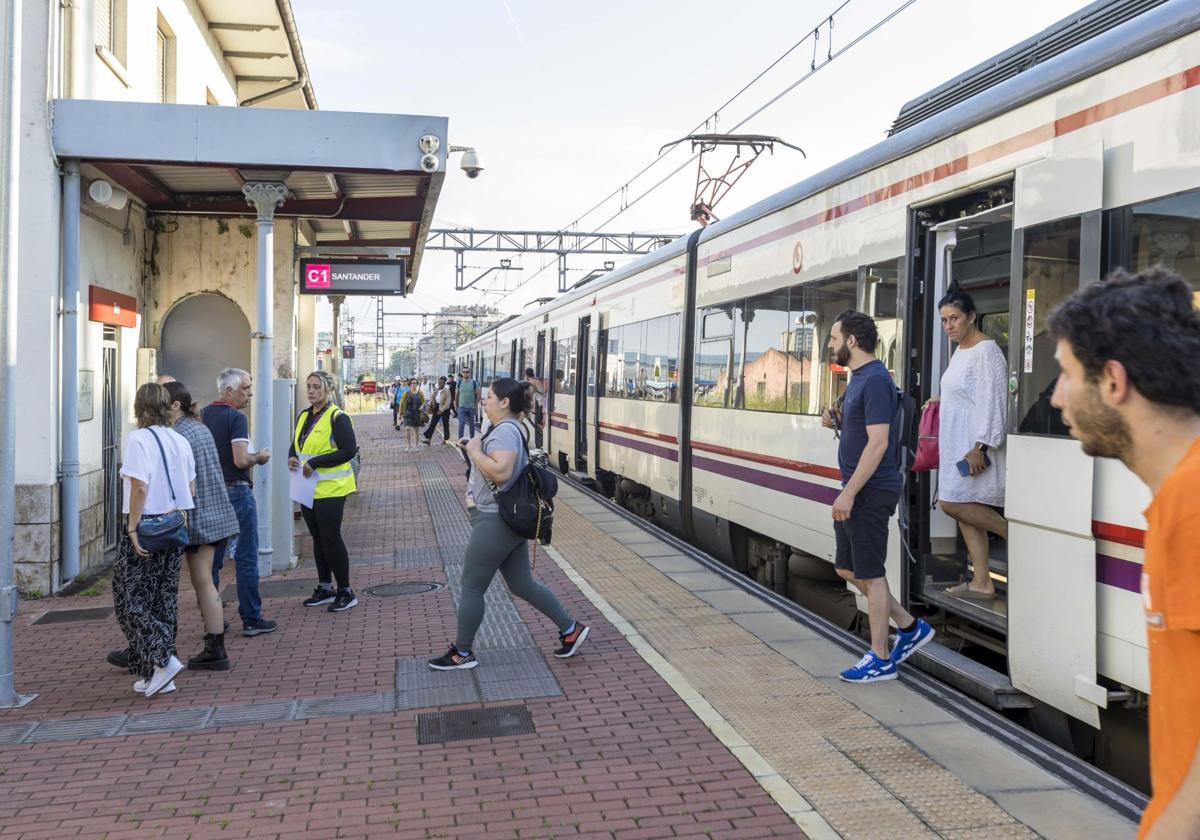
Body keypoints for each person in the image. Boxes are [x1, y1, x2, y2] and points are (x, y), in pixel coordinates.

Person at [1046, 268, 1200, 839]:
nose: (1056, 395)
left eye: (1065, 374)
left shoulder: (1192, 501)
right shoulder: (1174, 499)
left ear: (1113, 381)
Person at [428, 377, 588, 671]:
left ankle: (462, 652)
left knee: (472, 587)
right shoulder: (508, 429)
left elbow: (501, 472)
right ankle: (570, 629)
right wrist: (475, 448)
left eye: (488, 397)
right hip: (505, 519)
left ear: (504, 402)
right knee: (522, 584)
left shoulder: (503, 432)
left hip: (494, 520)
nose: (483, 401)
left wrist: (475, 450)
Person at [822, 310, 934, 683]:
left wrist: (849, 493)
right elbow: (861, 429)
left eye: (834, 338)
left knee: (871, 571)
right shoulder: (859, 379)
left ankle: (881, 658)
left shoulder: (874, 381)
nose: (830, 345)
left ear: (852, 341)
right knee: (846, 566)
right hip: (857, 488)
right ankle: (908, 626)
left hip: (869, 490)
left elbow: (879, 443)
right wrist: (835, 418)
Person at [114, 383, 196, 697]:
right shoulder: (180, 439)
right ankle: (158, 674)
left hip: (146, 527)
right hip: (174, 526)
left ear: (138, 407)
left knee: (129, 601)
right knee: (163, 601)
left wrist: (132, 528)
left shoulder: (137, 439)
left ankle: (162, 660)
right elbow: (190, 489)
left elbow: (140, 488)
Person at [929, 289, 1009, 599]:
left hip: (973, 448)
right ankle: (982, 582)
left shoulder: (986, 352)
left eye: (954, 319)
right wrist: (939, 400)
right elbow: (965, 392)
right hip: (957, 443)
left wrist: (982, 445)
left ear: (972, 316)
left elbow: (994, 401)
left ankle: (1016, 537)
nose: (948, 326)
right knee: (963, 513)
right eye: (944, 320)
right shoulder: (961, 350)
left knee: (952, 503)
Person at [164, 381, 239, 669]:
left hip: (197, 518)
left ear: (175, 405)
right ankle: (214, 645)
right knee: (204, 581)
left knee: (203, 582)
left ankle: (214, 648)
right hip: (217, 514)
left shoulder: (177, 434)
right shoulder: (198, 427)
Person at [202, 368, 277, 637]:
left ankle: (213, 619)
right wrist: (260, 456)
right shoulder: (236, 418)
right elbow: (240, 459)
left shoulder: (202, 416)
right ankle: (252, 618)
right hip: (236, 491)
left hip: (210, 494)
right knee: (246, 556)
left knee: (211, 561)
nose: (250, 393)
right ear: (229, 391)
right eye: (246, 388)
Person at [290, 371, 360, 613]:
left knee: (331, 539)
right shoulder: (304, 415)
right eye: (308, 386)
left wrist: (316, 462)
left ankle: (346, 591)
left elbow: (348, 450)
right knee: (317, 539)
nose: (310, 391)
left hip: (332, 488)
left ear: (328, 390)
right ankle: (324, 587)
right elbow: (297, 444)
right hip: (308, 487)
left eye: (316, 387)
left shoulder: (337, 417)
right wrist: (291, 456)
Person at [422, 375, 453, 446]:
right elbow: (432, 397)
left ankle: (446, 440)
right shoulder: (436, 390)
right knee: (433, 423)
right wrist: (432, 403)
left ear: (444, 383)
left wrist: (441, 410)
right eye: (439, 382)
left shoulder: (446, 391)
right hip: (436, 408)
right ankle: (428, 439)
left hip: (445, 410)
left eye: (441, 382)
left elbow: (448, 403)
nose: (440, 384)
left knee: (445, 424)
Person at [399, 377, 425, 451]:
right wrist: (400, 415)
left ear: (417, 384)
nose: (414, 384)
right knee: (407, 429)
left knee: (416, 430)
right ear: (409, 384)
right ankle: (408, 445)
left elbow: (424, 401)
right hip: (407, 414)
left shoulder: (420, 393)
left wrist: (422, 406)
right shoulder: (406, 393)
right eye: (412, 383)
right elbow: (401, 404)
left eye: (415, 383)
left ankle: (416, 446)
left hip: (416, 414)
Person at [525, 368, 546, 448]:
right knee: (540, 423)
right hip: (543, 403)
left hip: (541, 404)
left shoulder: (532, 382)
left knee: (537, 424)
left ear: (526, 374)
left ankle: (540, 443)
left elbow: (530, 394)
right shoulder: (537, 380)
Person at [456, 368, 480, 439]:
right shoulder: (459, 383)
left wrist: (475, 405)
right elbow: (457, 394)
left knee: (471, 425)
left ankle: (472, 439)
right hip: (461, 407)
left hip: (471, 407)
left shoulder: (474, 383)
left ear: (469, 373)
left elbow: (479, 394)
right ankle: (460, 439)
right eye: (464, 372)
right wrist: (455, 403)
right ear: (462, 373)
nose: (465, 373)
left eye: (467, 372)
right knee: (462, 423)